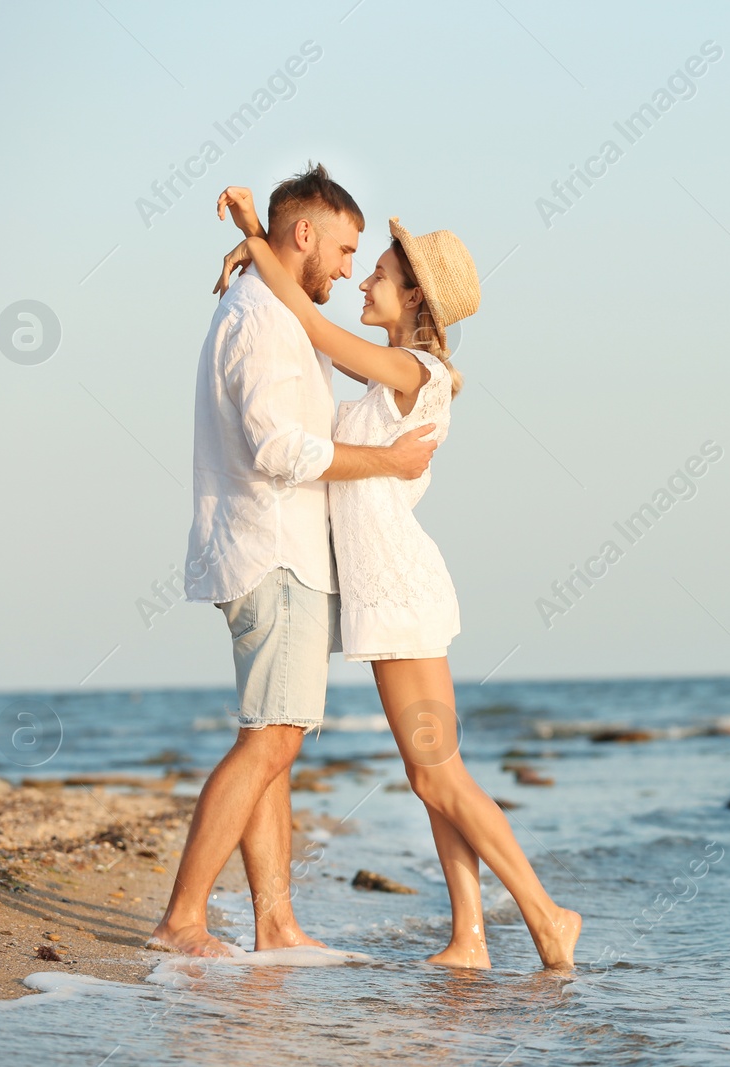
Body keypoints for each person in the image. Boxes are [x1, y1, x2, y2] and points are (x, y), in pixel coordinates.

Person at [213, 185, 582, 969]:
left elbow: (312, 325)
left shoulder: (416, 369)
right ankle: (470, 938)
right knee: (432, 776)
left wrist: (257, 238)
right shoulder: (396, 380)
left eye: (377, 270)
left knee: (437, 774)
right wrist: (264, 249)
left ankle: (548, 915)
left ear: (413, 293)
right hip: (390, 596)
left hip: (400, 596)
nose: (362, 280)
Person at [149, 164, 439, 958]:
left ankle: (274, 925)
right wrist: (387, 463)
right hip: (273, 548)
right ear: (303, 234)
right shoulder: (264, 318)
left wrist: (250, 238)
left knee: (274, 738)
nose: (350, 266)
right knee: (270, 739)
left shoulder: (277, 307)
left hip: (285, 552)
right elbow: (280, 448)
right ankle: (182, 919)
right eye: (346, 248)